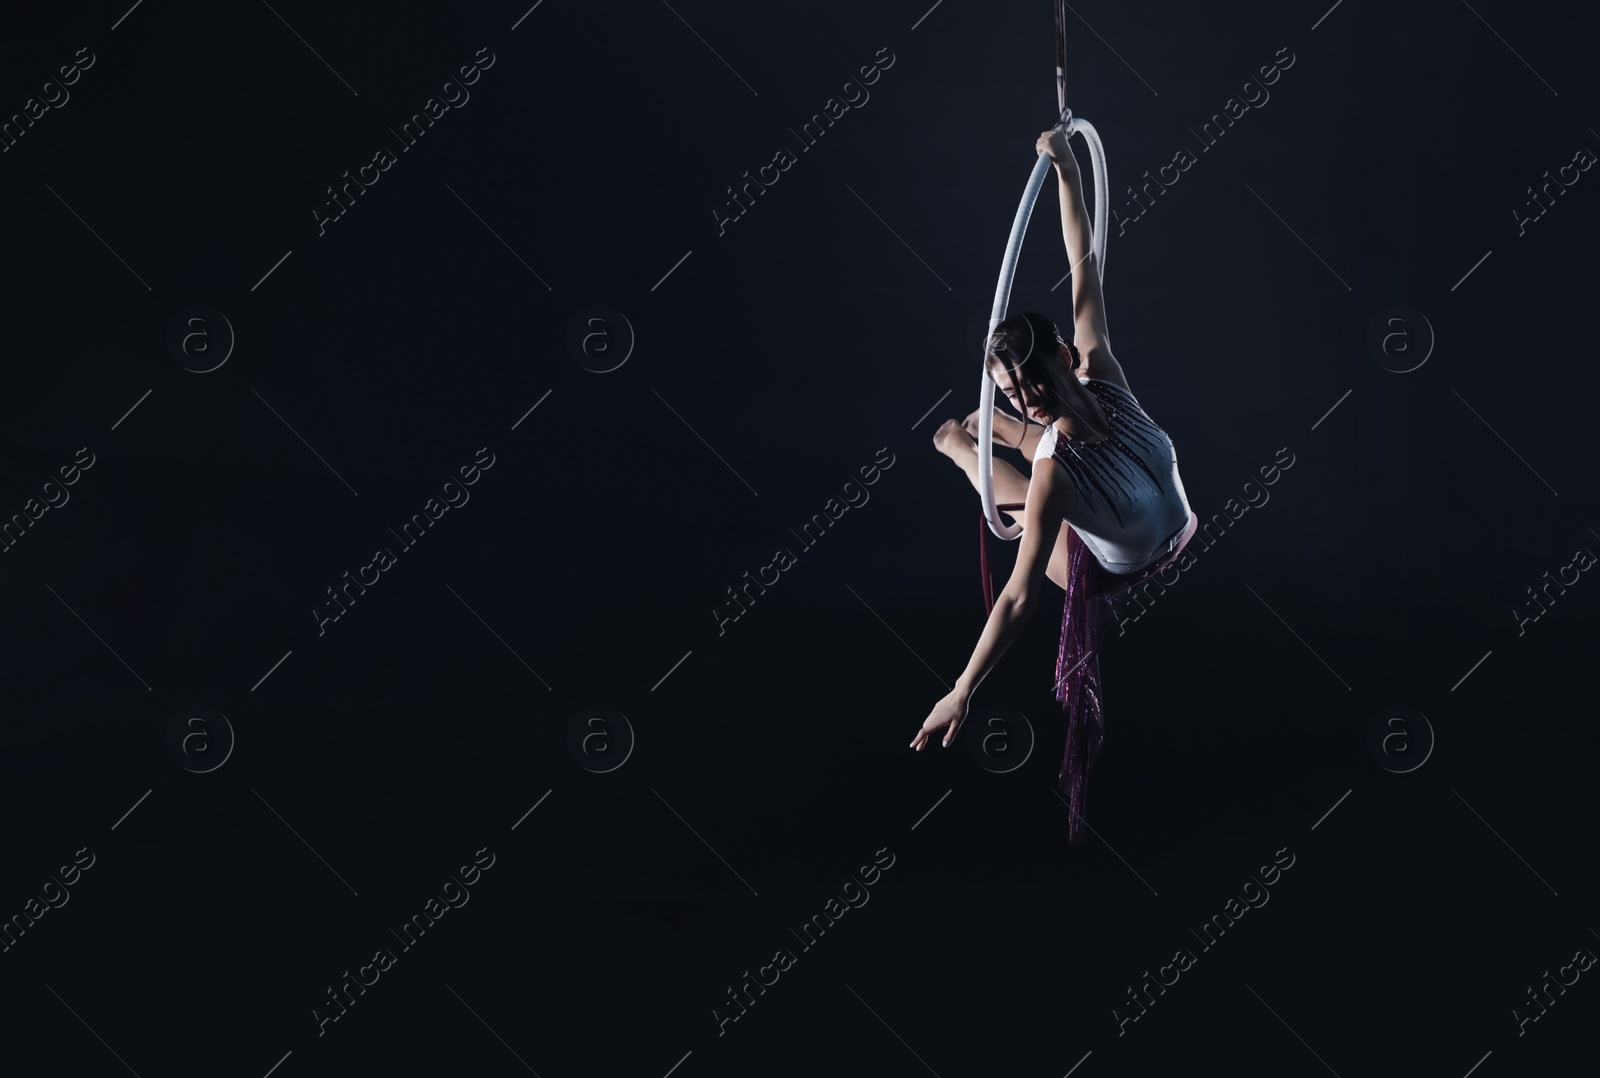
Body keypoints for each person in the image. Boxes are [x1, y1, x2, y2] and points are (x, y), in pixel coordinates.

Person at [910, 124, 1198, 844]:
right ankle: (958, 443)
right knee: (1024, 463)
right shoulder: (1054, 481)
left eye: (1032, 378)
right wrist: (962, 690)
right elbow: (1017, 592)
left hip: (1150, 510)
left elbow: (1083, 260)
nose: (1025, 393)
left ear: (1066, 355)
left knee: (1045, 435)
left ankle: (973, 432)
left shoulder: (1102, 367)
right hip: (1103, 566)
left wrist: (1068, 167)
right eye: (1009, 391)